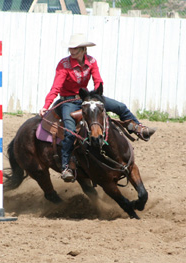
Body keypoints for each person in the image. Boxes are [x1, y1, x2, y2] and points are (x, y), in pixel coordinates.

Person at [39, 34, 156, 182]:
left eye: (75, 48)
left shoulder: (91, 62)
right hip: (68, 101)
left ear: (83, 49)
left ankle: (138, 128)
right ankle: (66, 166)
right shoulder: (64, 65)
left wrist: (97, 96)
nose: (72, 50)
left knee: (120, 107)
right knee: (69, 131)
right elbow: (56, 87)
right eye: (71, 48)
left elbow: (98, 80)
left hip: (88, 98)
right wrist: (46, 105)